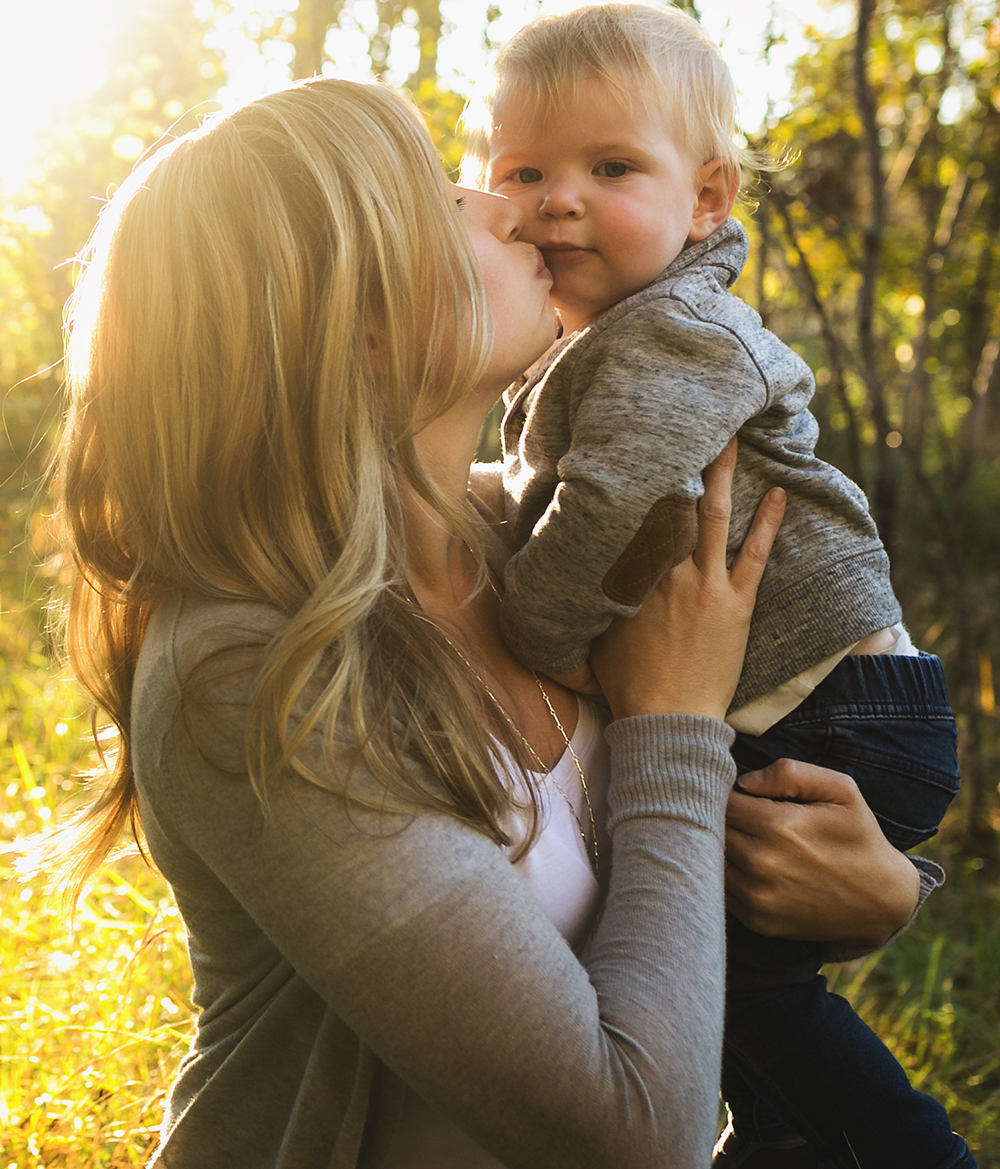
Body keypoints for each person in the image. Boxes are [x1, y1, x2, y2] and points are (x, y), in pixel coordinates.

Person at [56, 76, 933, 1169]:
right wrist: (672, 723)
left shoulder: (540, 538)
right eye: (438, 197)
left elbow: (674, 942)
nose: (508, 204)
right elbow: (631, 1136)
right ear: (354, 325)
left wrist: (879, 890)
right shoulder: (251, 663)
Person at [461, 0, 972, 1169]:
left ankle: (896, 1148)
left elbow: (608, 510)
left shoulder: (674, 335)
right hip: (796, 701)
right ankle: (784, 1131)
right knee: (716, 981)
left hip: (831, 709)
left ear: (706, 200)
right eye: (523, 167)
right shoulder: (591, 338)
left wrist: (536, 629)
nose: (559, 197)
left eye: (611, 165)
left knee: (710, 970)